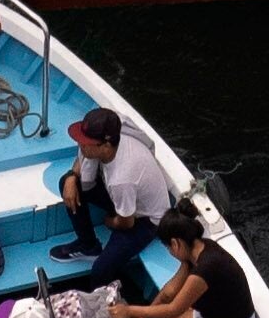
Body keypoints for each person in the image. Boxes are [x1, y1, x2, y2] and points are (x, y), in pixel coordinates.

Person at [51, 101, 179, 285]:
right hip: (124, 201)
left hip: (144, 220)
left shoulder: (122, 179)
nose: (81, 146)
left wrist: (110, 221)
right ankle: (88, 245)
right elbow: (83, 158)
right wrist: (72, 176)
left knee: (100, 271)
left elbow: (127, 222)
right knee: (67, 183)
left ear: (106, 146)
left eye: (86, 144)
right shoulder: (117, 137)